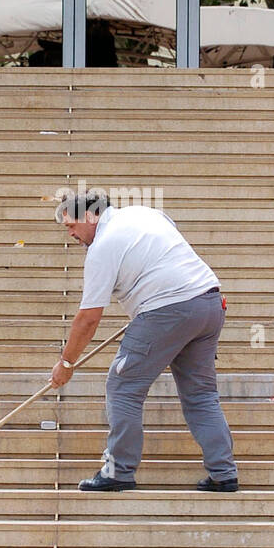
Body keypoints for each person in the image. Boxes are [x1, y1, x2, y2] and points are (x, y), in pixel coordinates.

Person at [52, 190, 239, 492]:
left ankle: (118, 472)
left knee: (122, 387)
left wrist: (66, 363)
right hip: (209, 303)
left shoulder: (103, 246)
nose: (71, 234)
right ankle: (224, 472)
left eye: (70, 226)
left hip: (167, 310)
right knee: (201, 395)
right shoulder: (144, 213)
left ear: (90, 215)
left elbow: (88, 318)